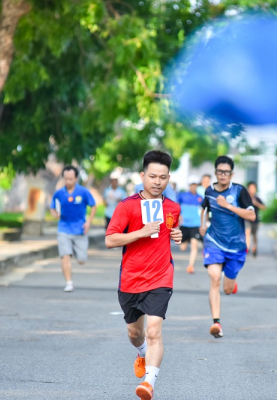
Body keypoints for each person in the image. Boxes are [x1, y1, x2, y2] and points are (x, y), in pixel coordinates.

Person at [105, 150, 182, 400]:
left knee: (154, 331)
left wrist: (176, 235)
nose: (157, 181)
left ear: (168, 178)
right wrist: (140, 232)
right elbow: (110, 239)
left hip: (161, 277)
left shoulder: (173, 207)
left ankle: (149, 383)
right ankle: (141, 353)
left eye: (162, 177)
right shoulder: (126, 206)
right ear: (142, 176)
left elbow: (170, 231)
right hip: (131, 278)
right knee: (135, 334)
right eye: (152, 176)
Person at [200, 156, 256, 338]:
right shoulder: (209, 191)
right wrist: (202, 225)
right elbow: (204, 209)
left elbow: (251, 216)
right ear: (215, 173)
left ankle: (232, 284)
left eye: (226, 172)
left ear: (231, 174)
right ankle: (216, 323)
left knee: (227, 289)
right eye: (219, 171)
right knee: (214, 278)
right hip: (214, 241)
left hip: (236, 247)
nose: (222, 175)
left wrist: (229, 206)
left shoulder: (240, 191)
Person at [50, 166, 96, 292]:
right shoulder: (59, 193)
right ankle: (69, 282)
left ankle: (75, 251)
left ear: (76, 178)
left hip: (80, 229)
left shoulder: (83, 192)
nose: (68, 181)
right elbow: (52, 207)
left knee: (81, 260)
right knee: (65, 256)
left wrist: (88, 222)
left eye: (71, 179)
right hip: (63, 228)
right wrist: (54, 214)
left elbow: (93, 206)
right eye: (66, 179)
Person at [177, 175, 203, 274]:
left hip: (195, 224)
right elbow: (176, 207)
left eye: (195, 184)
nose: (194, 186)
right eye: (192, 184)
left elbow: (203, 211)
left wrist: (203, 223)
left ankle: (191, 266)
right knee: (182, 247)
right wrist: (179, 216)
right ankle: (187, 239)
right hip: (185, 224)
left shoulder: (200, 198)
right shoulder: (182, 195)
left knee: (194, 245)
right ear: (189, 185)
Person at [244, 182, 266, 257]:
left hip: (255, 220)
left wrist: (256, 203)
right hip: (247, 219)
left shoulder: (257, 198)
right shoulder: (245, 198)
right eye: (250, 188)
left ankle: (254, 247)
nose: (252, 190)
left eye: (253, 188)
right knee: (247, 232)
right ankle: (246, 249)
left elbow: (264, 207)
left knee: (254, 235)